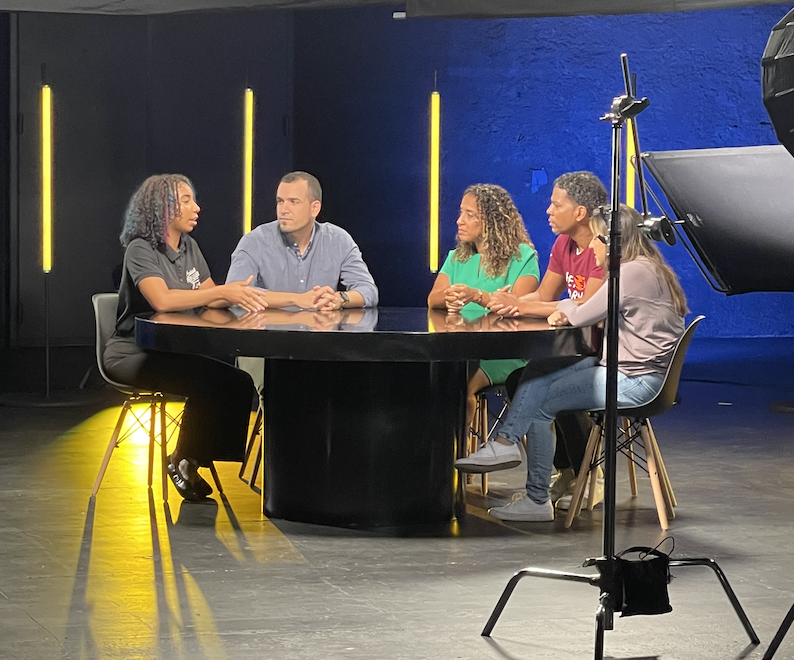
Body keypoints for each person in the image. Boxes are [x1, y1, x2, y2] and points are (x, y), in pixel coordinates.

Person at [457, 204, 688, 522]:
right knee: (537, 371)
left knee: (539, 406)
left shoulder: (632, 272)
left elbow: (582, 314)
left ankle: (536, 500)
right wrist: (566, 308)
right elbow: (582, 309)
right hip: (624, 368)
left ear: (611, 241)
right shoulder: (647, 266)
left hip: (635, 380)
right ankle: (505, 442)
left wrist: (563, 309)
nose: (589, 246)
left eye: (594, 238)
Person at [103, 174, 268, 501]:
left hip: (174, 351)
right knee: (209, 380)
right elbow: (162, 300)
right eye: (186, 201)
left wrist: (238, 294)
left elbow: (209, 296)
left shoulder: (189, 246)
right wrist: (222, 291)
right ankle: (184, 460)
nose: (197, 208)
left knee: (236, 381)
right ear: (162, 208)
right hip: (132, 353)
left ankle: (189, 458)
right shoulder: (140, 249)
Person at [485, 171, 609, 500]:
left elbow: (585, 308)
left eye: (556, 204)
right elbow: (544, 295)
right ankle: (567, 471)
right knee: (518, 381)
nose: (548, 211)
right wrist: (506, 303)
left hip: (604, 351)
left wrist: (520, 305)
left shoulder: (604, 248)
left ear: (580, 212)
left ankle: (591, 475)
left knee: (550, 387)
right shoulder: (563, 243)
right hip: (571, 348)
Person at [427, 184, 539, 431]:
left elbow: (520, 304)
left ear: (492, 221)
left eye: (470, 215)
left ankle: (458, 459)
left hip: (504, 352)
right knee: (432, 379)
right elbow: (433, 298)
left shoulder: (522, 257)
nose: (459, 221)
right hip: (459, 351)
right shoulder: (458, 257)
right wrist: (451, 298)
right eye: (461, 213)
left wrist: (477, 296)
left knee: (458, 384)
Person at [226, 171, 378, 311]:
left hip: (320, 337)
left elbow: (368, 290)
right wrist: (296, 299)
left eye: (293, 202)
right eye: (280, 201)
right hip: (269, 337)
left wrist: (340, 298)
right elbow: (235, 293)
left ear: (315, 208)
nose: (284, 209)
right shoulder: (254, 241)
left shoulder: (338, 240)